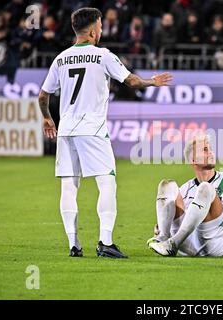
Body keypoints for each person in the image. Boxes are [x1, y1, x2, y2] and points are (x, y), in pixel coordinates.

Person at [38, 7, 172, 259]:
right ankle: (106, 242)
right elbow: (131, 81)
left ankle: (74, 245)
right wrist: (152, 81)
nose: (101, 30)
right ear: (91, 30)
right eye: (99, 26)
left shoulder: (61, 58)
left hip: (66, 130)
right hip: (92, 130)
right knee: (107, 183)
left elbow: (43, 95)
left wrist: (47, 118)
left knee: (69, 186)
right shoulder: (102, 55)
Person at [148, 135, 223, 257]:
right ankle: (163, 237)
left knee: (206, 188)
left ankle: (173, 243)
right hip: (191, 244)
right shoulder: (185, 189)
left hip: (220, 243)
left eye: (210, 149)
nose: (210, 153)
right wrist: (163, 224)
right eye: (205, 150)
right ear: (193, 160)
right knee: (167, 185)